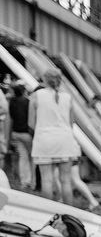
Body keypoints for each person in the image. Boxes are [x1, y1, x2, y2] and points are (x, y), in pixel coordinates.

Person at [29, 69, 78, 204]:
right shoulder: (68, 97)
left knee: (47, 180)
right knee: (66, 180)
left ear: (44, 80)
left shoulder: (36, 96)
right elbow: (71, 122)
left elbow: (31, 123)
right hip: (65, 140)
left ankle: (48, 212)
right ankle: (69, 213)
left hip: (44, 139)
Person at [7, 83, 33, 190]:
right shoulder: (27, 102)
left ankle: (24, 181)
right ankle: (32, 181)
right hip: (26, 133)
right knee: (32, 158)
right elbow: (31, 119)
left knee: (23, 157)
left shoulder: (12, 102)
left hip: (16, 133)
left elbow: (11, 118)